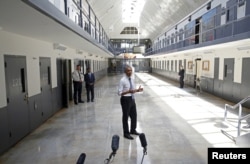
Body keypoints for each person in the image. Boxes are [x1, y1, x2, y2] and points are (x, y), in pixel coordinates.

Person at [118, 65, 143, 140]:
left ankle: (133, 130)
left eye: (131, 70)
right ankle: (126, 133)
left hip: (132, 99)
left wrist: (137, 90)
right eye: (128, 70)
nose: (130, 72)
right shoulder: (122, 80)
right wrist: (128, 91)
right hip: (125, 100)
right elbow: (119, 93)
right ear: (125, 72)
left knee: (134, 115)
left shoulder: (131, 79)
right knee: (125, 117)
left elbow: (132, 90)